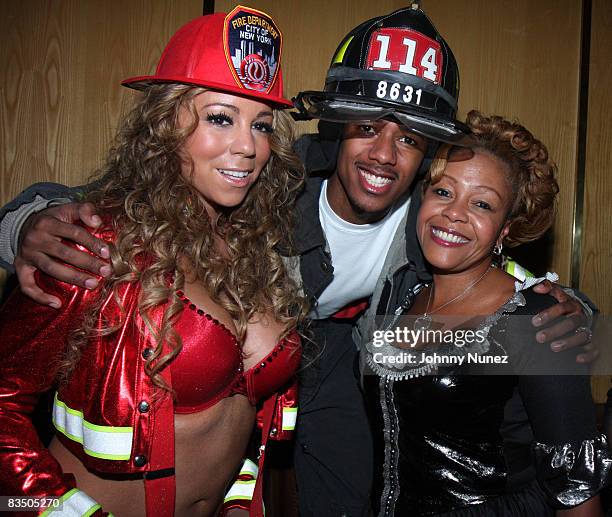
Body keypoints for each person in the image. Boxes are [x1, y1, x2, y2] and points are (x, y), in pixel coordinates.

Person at [0, 6, 595, 517]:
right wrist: (23, 224)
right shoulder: (269, 182)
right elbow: (101, 201)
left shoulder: (433, 212)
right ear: (336, 127)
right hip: (280, 348)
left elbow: (487, 249)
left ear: (428, 156)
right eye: (365, 127)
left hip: (342, 353)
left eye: (410, 139)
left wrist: (560, 308)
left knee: (351, 491)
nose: (384, 155)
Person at [0, 6, 308, 517]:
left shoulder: (258, 249)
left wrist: (237, 497)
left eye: (262, 125)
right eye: (219, 118)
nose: (247, 146)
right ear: (165, 124)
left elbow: (244, 416)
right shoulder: (96, 242)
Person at [359, 111, 610, 516]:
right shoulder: (403, 297)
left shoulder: (540, 320)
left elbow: (578, 496)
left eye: (481, 204)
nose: (454, 213)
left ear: (506, 228)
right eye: (443, 192)